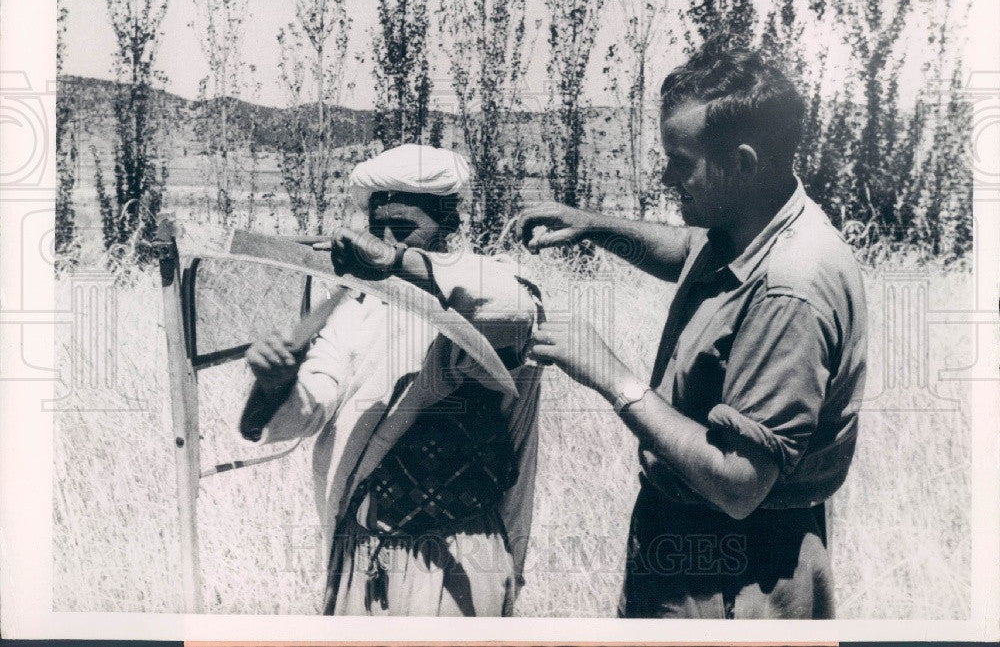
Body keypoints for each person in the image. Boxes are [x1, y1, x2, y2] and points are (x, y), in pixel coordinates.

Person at [517, 45, 867, 619]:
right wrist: (595, 226)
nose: (665, 176)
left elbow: (738, 483)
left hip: (738, 570)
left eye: (681, 161)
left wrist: (609, 375)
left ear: (743, 163)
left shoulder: (791, 288)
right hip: (694, 547)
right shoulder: (750, 223)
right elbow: (690, 251)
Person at [244, 144, 544, 617]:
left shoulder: (490, 288)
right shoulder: (355, 305)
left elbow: (515, 315)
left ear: (449, 224)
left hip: (457, 562)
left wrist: (395, 263)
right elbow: (314, 400)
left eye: (403, 230)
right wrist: (275, 383)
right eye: (376, 228)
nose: (384, 240)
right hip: (362, 552)